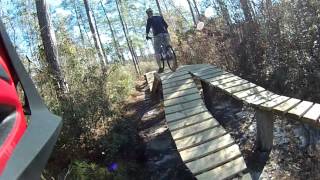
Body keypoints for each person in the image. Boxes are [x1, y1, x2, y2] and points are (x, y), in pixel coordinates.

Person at [145, 8, 170, 73]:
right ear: (152, 12)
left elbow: (148, 28)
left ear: (148, 14)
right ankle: (169, 55)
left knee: (156, 52)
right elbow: (166, 25)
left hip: (157, 35)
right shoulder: (159, 17)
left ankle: (160, 68)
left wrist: (147, 35)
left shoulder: (149, 19)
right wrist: (165, 31)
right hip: (165, 34)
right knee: (167, 46)